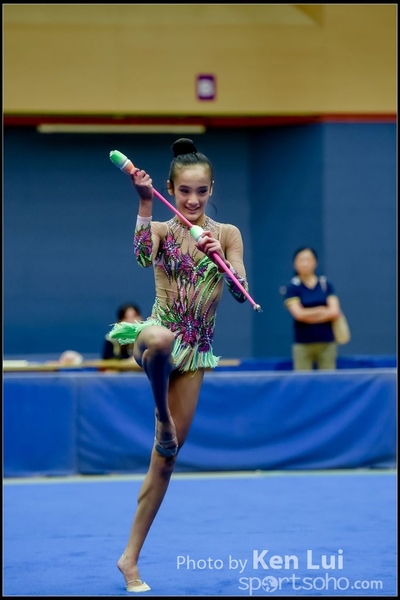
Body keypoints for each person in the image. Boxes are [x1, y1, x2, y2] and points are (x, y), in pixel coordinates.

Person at [108, 137, 249, 592]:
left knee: (166, 460)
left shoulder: (226, 234)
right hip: (155, 336)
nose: (192, 199)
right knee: (161, 338)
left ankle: (129, 559)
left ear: (211, 190)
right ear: (170, 188)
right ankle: (161, 413)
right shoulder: (164, 231)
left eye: (201, 191)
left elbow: (241, 292)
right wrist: (144, 202)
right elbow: (140, 256)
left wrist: (221, 261)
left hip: (196, 352)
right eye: (184, 191)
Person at [281, 246, 342, 370]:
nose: (305, 263)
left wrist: (308, 314)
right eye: (301, 260)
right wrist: (322, 310)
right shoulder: (292, 287)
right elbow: (299, 314)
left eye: (308, 259)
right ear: (295, 264)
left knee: (328, 378)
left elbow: (335, 312)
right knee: (302, 380)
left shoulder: (325, 284)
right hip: (302, 343)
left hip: (327, 342)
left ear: (315, 262)